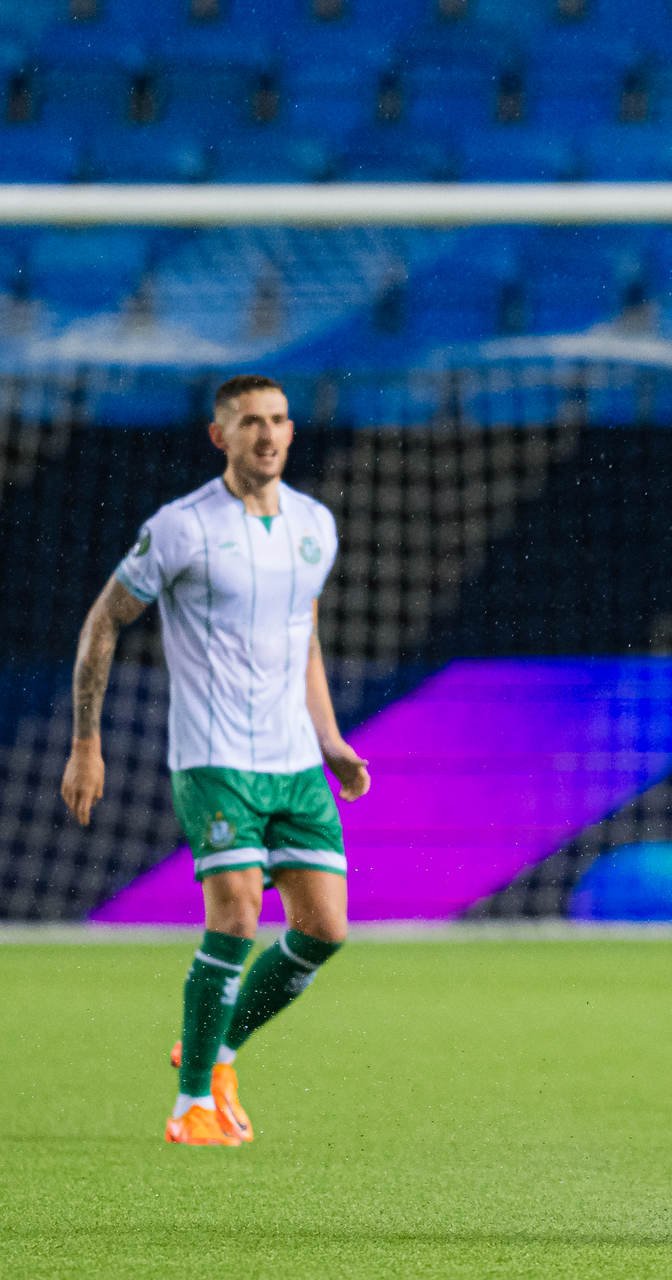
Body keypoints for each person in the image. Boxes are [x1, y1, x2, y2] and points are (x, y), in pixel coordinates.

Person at [59, 375, 370, 1147]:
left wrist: (329, 740)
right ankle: (189, 1103)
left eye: (278, 421)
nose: (267, 435)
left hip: (294, 758)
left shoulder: (315, 525)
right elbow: (104, 623)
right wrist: (85, 743)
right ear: (220, 436)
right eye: (250, 423)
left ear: (292, 432)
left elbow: (303, 639)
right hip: (213, 756)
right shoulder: (181, 528)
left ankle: (218, 1050)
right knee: (235, 909)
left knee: (324, 929)